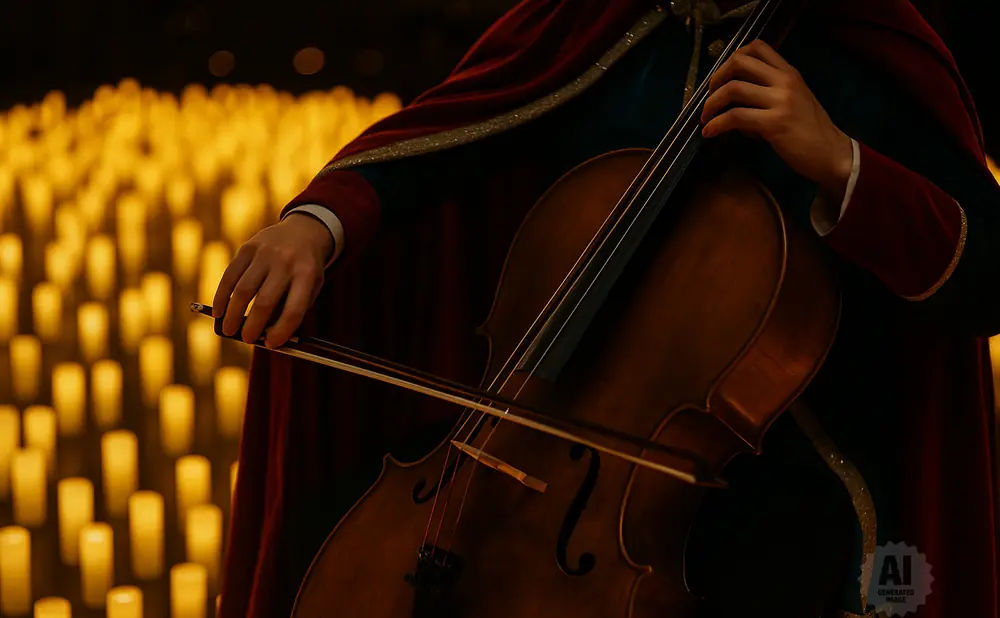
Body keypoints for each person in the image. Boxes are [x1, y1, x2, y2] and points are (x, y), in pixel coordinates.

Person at [213, 0, 1000, 616]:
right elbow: (451, 137)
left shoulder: (870, 46)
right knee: (325, 527)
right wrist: (314, 224)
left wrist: (840, 160)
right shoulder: (596, 20)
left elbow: (989, 275)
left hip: (774, 448)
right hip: (548, 409)